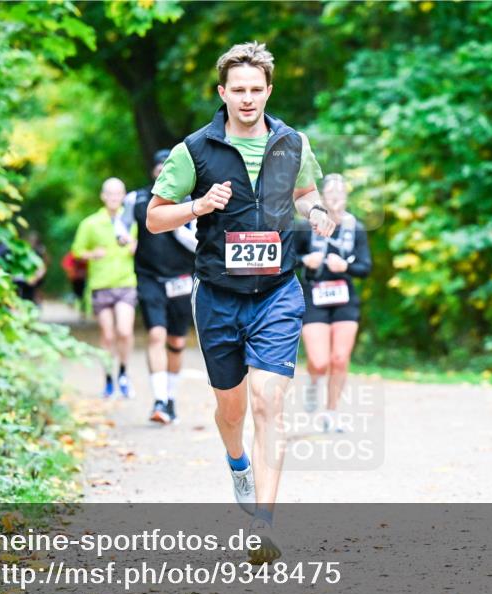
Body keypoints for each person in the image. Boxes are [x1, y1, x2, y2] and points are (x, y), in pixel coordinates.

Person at [146, 41, 334, 562]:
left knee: (268, 401)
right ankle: (238, 465)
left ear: (268, 90)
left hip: (277, 290)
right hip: (219, 296)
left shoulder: (293, 143)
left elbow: (305, 193)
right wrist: (199, 205)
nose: (248, 99)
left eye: (257, 90)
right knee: (230, 408)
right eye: (239, 90)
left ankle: (266, 526)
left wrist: (317, 212)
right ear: (222, 92)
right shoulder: (195, 150)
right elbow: (155, 218)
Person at [120, 149, 198, 424]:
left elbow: (199, 244)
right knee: (156, 335)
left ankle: (171, 398)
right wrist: (122, 237)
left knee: (176, 341)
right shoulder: (137, 198)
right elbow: (122, 223)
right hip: (148, 276)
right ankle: (159, 400)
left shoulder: (190, 201)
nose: (162, 168)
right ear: (153, 170)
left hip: (181, 278)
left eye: (167, 165)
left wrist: (178, 230)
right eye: (158, 165)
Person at [296, 174, 372, 432]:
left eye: (341, 191)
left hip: (344, 298)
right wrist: (306, 260)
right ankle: (314, 384)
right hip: (314, 295)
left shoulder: (356, 227)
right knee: (319, 361)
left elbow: (365, 267)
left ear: (346, 196)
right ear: (322, 196)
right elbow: (287, 258)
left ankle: (331, 413)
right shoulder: (306, 226)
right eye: (331, 191)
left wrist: (346, 266)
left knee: (339, 358)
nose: (336, 196)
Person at [72, 177, 139, 399]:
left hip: (126, 283)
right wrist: (92, 254)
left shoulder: (131, 221)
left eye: (118, 193)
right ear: (103, 196)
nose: (114, 197)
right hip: (101, 285)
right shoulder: (90, 223)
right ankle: (108, 378)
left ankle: (123, 373)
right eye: (110, 193)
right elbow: (76, 251)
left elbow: (139, 244)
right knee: (108, 336)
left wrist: (134, 246)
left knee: (125, 331)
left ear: (123, 195)